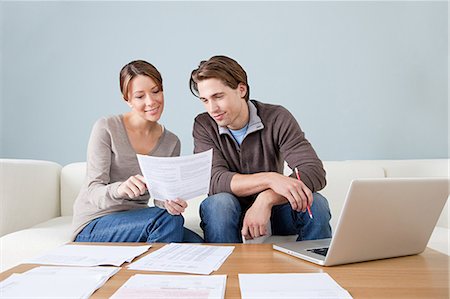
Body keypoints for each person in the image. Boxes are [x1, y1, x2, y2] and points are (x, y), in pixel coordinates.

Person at [189, 55, 332, 243]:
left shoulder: (277, 117)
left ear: (241, 90)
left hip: (275, 212)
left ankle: (314, 268)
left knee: (316, 203)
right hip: (228, 214)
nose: (212, 108)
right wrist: (270, 178)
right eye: (205, 100)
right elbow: (214, 180)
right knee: (220, 203)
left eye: (218, 97)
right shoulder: (204, 124)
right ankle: (222, 270)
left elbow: (313, 171)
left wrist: (266, 199)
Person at [72, 60, 203, 243]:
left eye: (156, 91)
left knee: (199, 244)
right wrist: (120, 189)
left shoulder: (171, 142)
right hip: (94, 223)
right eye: (140, 96)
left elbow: (159, 200)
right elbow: (92, 191)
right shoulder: (107, 128)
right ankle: (150, 270)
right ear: (127, 99)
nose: (151, 102)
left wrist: (169, 203)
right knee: (168, 222)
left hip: (141, 221)